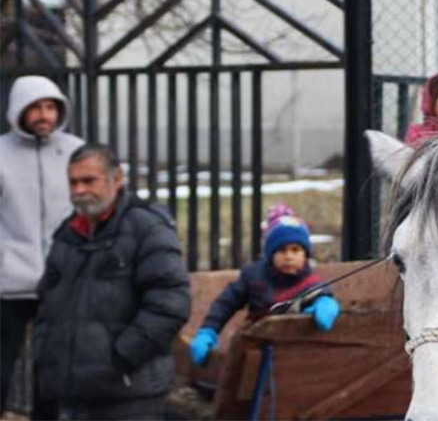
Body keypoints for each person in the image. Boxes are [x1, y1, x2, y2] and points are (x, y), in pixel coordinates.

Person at [35, 143, 190, 420]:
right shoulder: (67, 233)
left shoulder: (147, 228)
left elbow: (170, 303)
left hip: (129, 394)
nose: (79, 190)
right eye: (73, 182)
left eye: (88, 181)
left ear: (116, 179)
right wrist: (46, 352)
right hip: (73, 394)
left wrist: (122, 357)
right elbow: (48, 302)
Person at [0, 75, 83, 417]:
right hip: (8, 283)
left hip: (61, 281)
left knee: (52, 371)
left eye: (50, 107)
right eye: (35, 107)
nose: (44, 115)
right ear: (19, 109)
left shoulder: (77, 150)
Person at [188, 204, 341, 366]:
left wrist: (325, 302)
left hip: (297, 354)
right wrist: (209, 330)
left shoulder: (310, 282)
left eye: (295, 250)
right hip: (256, 349)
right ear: (270, 254)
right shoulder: (254, 276)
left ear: (305, 255)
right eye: (282, 250)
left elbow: (321, 292)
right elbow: (226, 303)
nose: (289, 256)